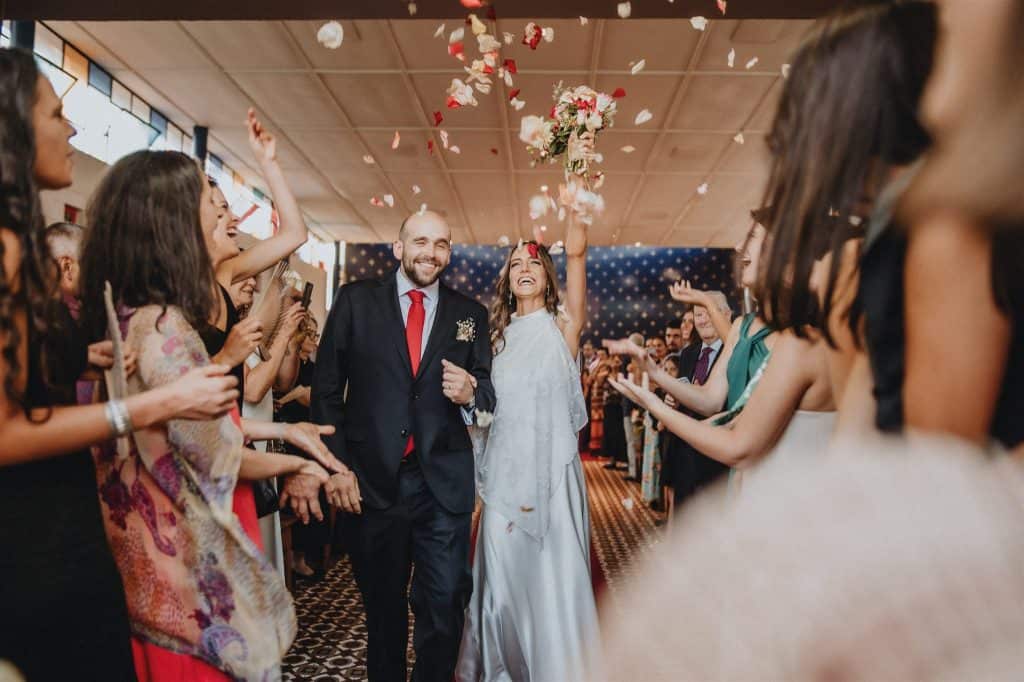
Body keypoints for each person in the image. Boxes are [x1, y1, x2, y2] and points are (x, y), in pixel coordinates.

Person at [0, 48, 238, 681]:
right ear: (15, 130)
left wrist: (79, 354)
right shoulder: (5, 248)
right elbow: (4, 430)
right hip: (33, 537)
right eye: (56, 114)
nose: (72, 130)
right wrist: (150, 405)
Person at [78, 149, 340, 681]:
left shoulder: (130, 313)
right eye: (209, 200)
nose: (227, 216)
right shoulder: (164, 328)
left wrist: (286, 432)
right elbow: (213, 451)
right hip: (181, 575)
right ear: (172, 219)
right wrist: (299, 466)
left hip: (148, 570)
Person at [312, 210, 496, 682]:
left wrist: (472, 394)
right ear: (398, 248)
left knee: (445, 602)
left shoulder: (469, 315)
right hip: (373, 481)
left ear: (449, 252)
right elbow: (327, 391)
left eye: (441, 243)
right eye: (420, 241)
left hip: (443, 484)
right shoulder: (356, 302)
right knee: (383, 609)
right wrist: (335, 467)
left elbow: (488, 391)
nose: (430, 253)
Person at [457, 210, 600, 682]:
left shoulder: (563, 328)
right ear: (506, 278)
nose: (524, 267)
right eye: (516, 261)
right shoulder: (492, 341)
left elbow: (576, 251)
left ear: (547, 278)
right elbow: (483, 411)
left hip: (553, 478)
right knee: (501, 582)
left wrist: (574, 207)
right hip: (503, 478)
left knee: (551, 582)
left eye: (534, 262)